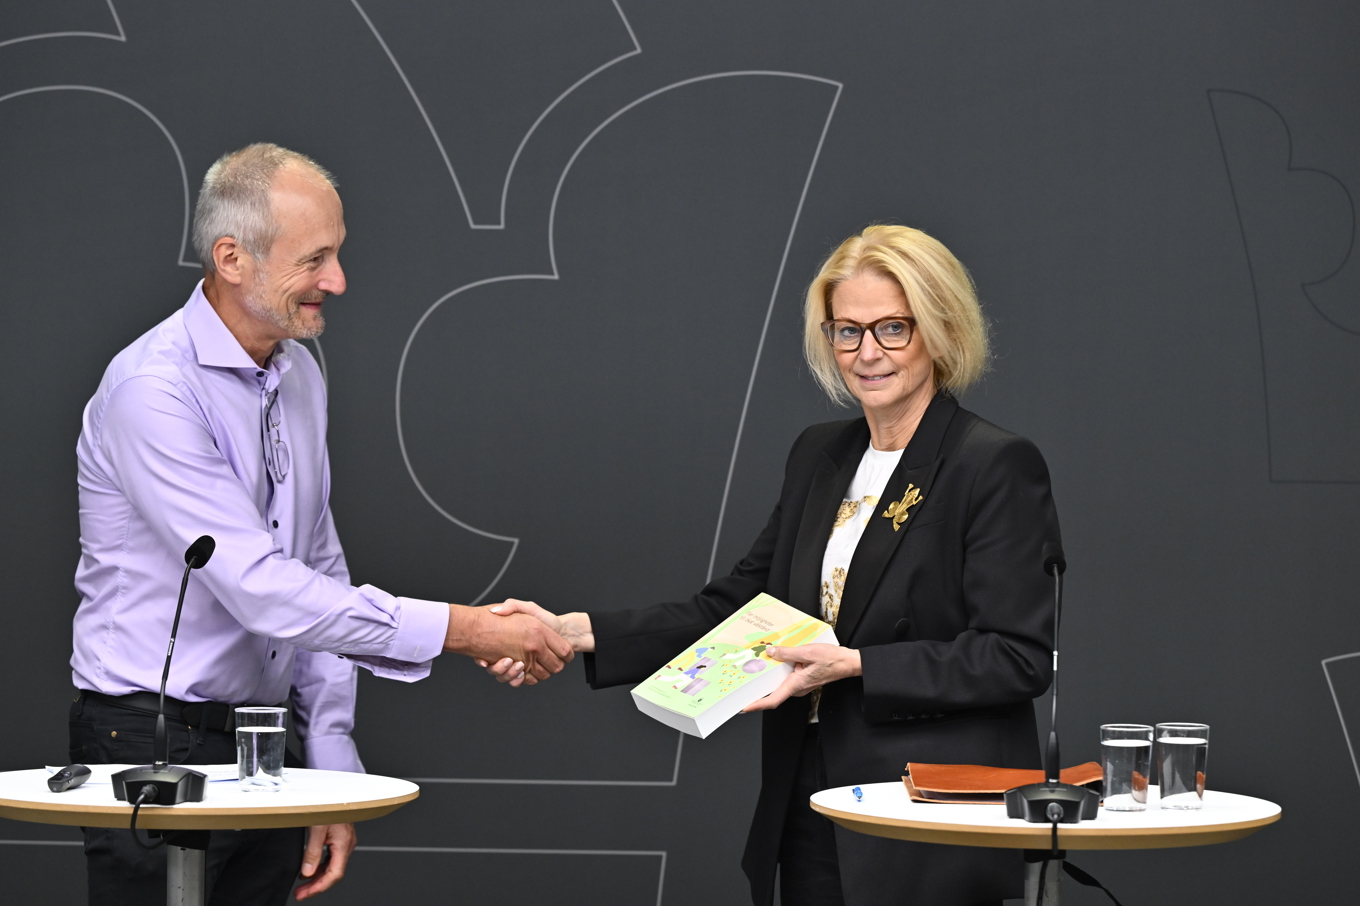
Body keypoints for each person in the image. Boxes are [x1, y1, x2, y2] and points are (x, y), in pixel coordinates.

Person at [485, 224, 1060, 905]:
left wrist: (853, 664)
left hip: (926, 813)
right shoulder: (821, 454)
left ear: (938, 330)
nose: (866, 353)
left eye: (892, 329)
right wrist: (577, 630)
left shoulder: (991, 463)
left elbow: (1016, 657)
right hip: (811, 793)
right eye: (846, 331)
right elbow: (739, 609)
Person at [70, 143, 572, 905]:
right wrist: (466, 630)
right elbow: (263, 592)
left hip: (265, 742)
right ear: (232, 257)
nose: (337, 282)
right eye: (317, 259)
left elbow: (315, 565)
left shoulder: (297, 371)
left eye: (337, 255)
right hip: (150, 738)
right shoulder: (153, 392)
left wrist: (329, 751)